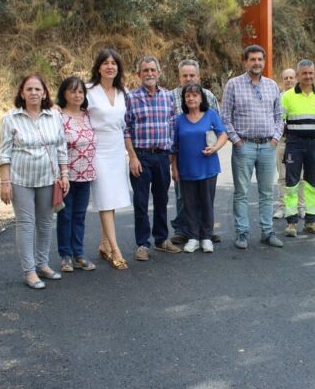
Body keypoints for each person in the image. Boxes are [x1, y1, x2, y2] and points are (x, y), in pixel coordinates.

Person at [0, 75, 69, 289]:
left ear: (45, 92)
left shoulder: (54, 116)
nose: (34, 93)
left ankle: (43, 264)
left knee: (46, 222)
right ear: (22, 93)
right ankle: (29, 271)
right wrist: (5, 182)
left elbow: (60, 148)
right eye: (29, 89)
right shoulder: (11, 118)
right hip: (21, 179)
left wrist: (64, 174)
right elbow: (4, 153)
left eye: (38, 89)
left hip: (48, 178)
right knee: (26, 224)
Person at [221, 44, 284, 249]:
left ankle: (267, 232)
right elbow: (225, 117)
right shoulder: (234, 84)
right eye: (253, 59)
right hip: (244, 146)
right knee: (242, 192)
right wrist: (236, 140)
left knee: (267, 192)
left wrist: (275, 139)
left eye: (260, 59)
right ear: (245, 61)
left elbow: (279, 117)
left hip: (267, 146)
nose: (257, 63)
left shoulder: (272, 85)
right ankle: (242, 233)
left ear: (264, 62)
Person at [125, 56, 182, 261]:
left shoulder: (167, 97)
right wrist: (132, 157)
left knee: (161, 199)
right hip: (140, 156)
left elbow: (173, 127)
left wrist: (171, 157)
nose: (149, 73)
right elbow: (126, 130)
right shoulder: (131, 98)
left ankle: (161, 239)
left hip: (161, 156)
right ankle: (142, 244)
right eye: (145, 70)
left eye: (152, 70)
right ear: (139, 75)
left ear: (159, 73)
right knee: (140, 201)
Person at [171, 83, 228, 253]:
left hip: (208, 167)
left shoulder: (211, 115)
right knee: (188, 204)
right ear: (184, 99)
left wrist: (215, 148)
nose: (191, 98)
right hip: (186, 168)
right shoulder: (179, 120)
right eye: (188, 95)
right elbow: (173, 146)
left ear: (201, 97)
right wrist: (174, 167)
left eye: (195, 95)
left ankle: (206, 237)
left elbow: (223, 134)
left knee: (206, 203)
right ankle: (193, 237)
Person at [87, 49, 131, 270]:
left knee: (112, 198)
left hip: (116, 148)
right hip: (97, 149)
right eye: (105, 63)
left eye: (114, 63)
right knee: (104, 197)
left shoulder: (123, 92)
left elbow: (127, 124)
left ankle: (104, 243)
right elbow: (70, 108)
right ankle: (115, 249)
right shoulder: (88, 91)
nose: (110, 66)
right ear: (98, 67)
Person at [280, 59, 315, 238]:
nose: (308, 76)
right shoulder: (287, 96)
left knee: (312, 182)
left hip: (313, 145)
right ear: (298, 75)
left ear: (314, 74)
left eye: (311, 73)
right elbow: (281, 121)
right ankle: (292, 222)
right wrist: (297, 134)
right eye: (304, 73)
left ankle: (311, 221)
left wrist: (312, 132)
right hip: (294, 144)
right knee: (292, 183)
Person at [56, 76, 97, 272]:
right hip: (66, 175)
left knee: (79, 216)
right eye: (72, 91)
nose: (77, 95)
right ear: (64, 93)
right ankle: (65, 256)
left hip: (87, 173)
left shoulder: (88, 115)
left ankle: (78, 253)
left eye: (80, 91)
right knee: (66, 215)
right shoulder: (57, 115)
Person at [274, 68, 305, 220]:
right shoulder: (277, 98)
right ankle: (282, 206)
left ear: (296, 78)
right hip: (282, 141)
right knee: (283, 176)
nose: (288, 80)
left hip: (299, 142)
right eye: (285, 78)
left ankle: (300, 207)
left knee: (300, 176)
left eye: (291, 77)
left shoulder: (302, 96)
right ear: (282, 80)